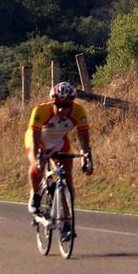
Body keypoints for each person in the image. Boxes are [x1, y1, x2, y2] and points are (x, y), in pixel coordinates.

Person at [25, 81, 93, 216]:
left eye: (66, 105)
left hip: (58, 142)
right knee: (37, 167)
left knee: (67, 177)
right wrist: (37, 161)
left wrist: (87, 159)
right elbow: (35, 140)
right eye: (58, 105)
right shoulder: (40, 111)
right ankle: (35, 193)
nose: (62, 109)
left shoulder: (79, 111)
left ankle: (67, 217)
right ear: (53, 102)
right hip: (39, 140)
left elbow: (84, 140)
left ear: (72, 103)